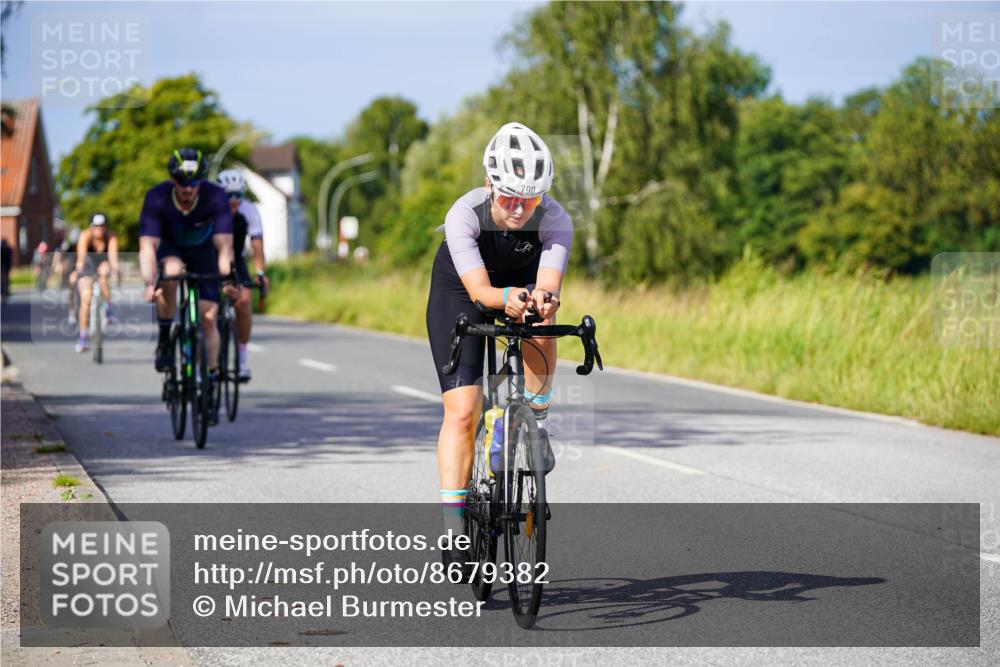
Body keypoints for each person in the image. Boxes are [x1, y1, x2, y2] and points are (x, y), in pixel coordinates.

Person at [425, 122, 572, 568]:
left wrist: (539, 300)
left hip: (518, 287)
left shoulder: (556, 219)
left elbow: (548, 282)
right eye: (509, 197)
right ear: (490, 184)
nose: (519, 209)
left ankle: (537, 422)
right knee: (464, 410)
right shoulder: (464, 214)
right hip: (462, 291)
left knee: (544, 312)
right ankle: (455, 531)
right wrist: (504, 299)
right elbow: (482, 293)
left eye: (530, 199)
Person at [138, 148, 239, 425]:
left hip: (203, 251)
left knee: (208, 318)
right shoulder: (156, 197)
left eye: (194, 183)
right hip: (170, 248)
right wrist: (150, 284)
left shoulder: (215, 196)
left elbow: (224, 247)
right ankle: (164, 339)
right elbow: (148, 247)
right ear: (173, 180)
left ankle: (211, 377)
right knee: (169, 273)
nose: (188, 189)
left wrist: (227, 279)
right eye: (183, 183)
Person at [216, 169, 268, 381]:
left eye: (239, 195)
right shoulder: (210, 209)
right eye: (229, 195)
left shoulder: (249, 211)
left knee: (244, 303)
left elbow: (257, 245)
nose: (234, 200)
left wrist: (260, 272)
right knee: (208, 305)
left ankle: (242, 360)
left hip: (237, 258)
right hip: (212, 256)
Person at [71, 213, 120, 352]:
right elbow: (81, 257)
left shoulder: (111, 237)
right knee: (86, 298)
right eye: (96, 226)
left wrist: (115, 270)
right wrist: (79, 271)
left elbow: (113, 257)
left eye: (102, 226)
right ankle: (83, 336)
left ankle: (108, 307)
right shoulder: (85, 236)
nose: (100, 229)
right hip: (87, 265)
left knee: (104, 274)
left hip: (102, 264)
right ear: (91, 227)